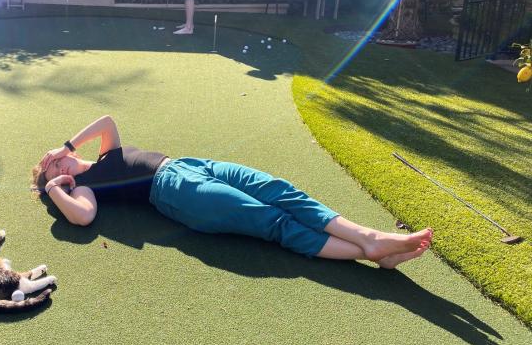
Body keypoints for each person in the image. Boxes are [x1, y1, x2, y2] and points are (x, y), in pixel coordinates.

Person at [31, 116, 432, 269]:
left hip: (191, 165)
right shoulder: (87, 188)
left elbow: (106, 120)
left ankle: (370, 240)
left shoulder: (104, 153)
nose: (60, 164)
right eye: (54, 169)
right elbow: (82, 217)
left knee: (281, 191)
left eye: (56, 161)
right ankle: (371, 250)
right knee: (272, 221)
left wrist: (64, 146)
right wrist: (54, 189)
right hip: (177, 193)